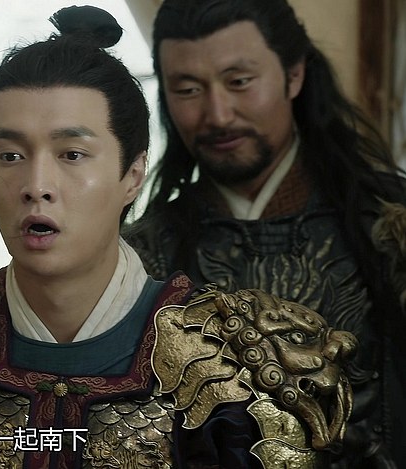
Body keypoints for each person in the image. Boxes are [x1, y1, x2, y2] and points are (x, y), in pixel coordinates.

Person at [0, 6, 357, 468]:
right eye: (10, 155)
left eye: (72, 155)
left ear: (133, 174)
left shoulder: (231, 369)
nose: (36, 185)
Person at [122, 1, 406, 467]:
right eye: (188, 89)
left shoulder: (391, 229)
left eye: (239, 82)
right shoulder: (141, 256)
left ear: (294, 75)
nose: (218, 114)